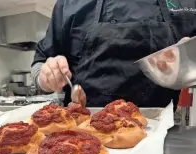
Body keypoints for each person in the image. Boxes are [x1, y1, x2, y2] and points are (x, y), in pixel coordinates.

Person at [31, 0, 196, 108]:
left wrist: (190, 60)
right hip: (79, 133)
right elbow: (40, 64)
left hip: (160, 135)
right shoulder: (69, 4)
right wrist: (47, 77)